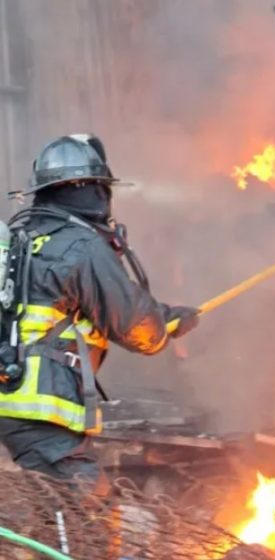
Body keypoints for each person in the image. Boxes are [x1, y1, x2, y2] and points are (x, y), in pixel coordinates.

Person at [0, 134, 199, 484]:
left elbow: (86, 305)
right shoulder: (83, 247)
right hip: (35, 410)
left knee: (66, 507)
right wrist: (165, 327)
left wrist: (165, 315)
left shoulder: (30, 239)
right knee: (86, 510)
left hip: (13, 403)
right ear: (94, 190)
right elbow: (138, 329)